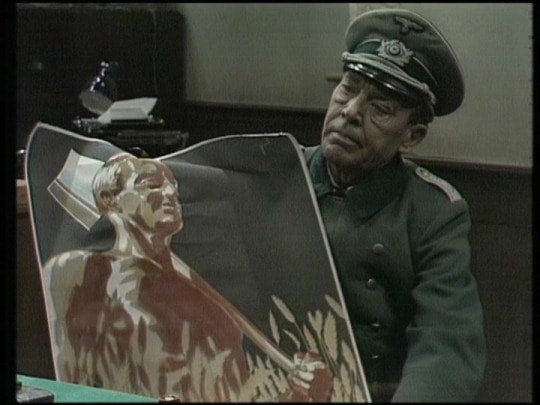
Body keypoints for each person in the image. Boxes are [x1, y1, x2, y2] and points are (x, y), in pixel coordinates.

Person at [302, 8, 486, 402]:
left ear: (411, 137)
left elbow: (445, 348)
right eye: (348, 89)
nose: (350, 112)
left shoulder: (434, 213)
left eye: (380, 109)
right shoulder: (278, 172)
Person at [43, 152, 332, 402]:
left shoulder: (215, 311)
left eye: (174, 185)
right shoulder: (81, 273)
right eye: (151, 184)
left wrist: (300, 394)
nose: (170, 192)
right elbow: (71, 384)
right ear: (110, 200)